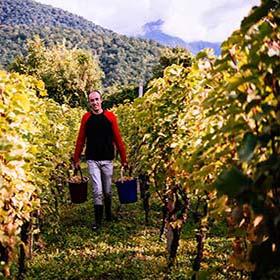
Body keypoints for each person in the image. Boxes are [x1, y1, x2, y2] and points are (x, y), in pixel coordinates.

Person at [73, 90, 128, 231]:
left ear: (101, 100)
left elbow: (118, 139)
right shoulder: (86, 118)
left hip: (107, 159)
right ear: (89, 103)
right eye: (92, 100)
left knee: (107, 191)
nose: (95, 102)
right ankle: (98, 221)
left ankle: (108, 214)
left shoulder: (110, 117)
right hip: (92, 159)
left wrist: (124, 159)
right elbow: (80, 139)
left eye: (97, 99)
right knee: (97, 190)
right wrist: (76, 158)